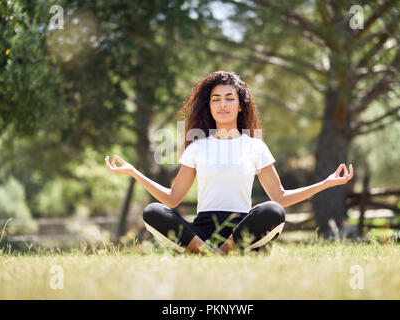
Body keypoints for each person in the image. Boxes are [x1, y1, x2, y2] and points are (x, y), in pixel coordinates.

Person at [105, 71, 353, 255]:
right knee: (154, 211)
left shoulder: (255, 146)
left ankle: (223, 251)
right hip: (201, 232)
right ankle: (206, 251)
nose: (222, 104)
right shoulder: (197, 146)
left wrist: (326, 183)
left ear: (240, 104)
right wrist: (133, 172)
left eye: (229, 98)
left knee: (273, 211)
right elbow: (172, 199)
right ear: (209, 106)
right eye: (216, 99)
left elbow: (280, 197)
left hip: (242, 231)